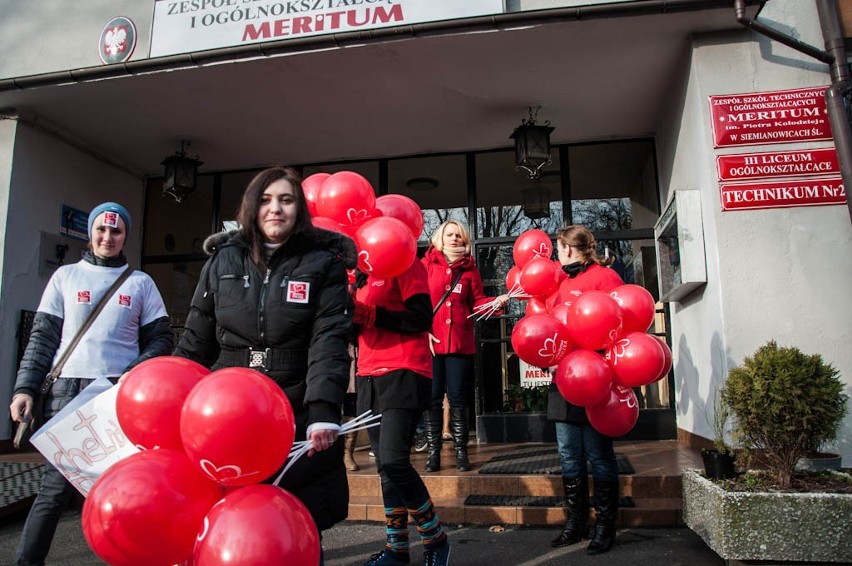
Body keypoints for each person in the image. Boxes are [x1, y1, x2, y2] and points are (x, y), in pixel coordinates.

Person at [172, 167, 356, 564]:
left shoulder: (323, 263)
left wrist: (323, 411)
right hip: (227, 415)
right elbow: (196, 339)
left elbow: (329, 340)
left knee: (291, 522)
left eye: (286, 200)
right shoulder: (222, 261)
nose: (276, 209)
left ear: (299, 210)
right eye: (267, 200)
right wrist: (173, 397)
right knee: (228, 521)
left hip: (294, 407)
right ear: (253, 208)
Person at [8, 202, 174, 566]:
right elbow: (41, 340)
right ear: (90, 233)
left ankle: (130, 558)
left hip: (117, 395)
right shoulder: (65, 277)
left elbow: (162, 339)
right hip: (65, 392)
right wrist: (24, 388)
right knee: (53, 490)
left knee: (121, 490)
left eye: (116, 231)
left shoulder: (140, 282)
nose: (108, 237)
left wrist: (137, 368)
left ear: (125, 235)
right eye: (101, 229)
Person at [352, 258, 451, 566]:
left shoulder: (404, 265)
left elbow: (421, 318)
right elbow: (358, 330)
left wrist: (370, 314)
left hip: (404, 370)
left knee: (395, 462)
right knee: (385, 467)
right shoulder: (357, 275)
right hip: (369, 374)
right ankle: (397, 549)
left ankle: (436, 540)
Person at [547, 224, 624, 556]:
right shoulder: (562, 283)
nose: (554, 253)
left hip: (595, 381)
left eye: (557, 247)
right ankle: (575, 523)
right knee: (568, 455)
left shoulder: (606, 279)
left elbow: (622, 324)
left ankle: (605, 527)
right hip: (564, 380)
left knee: (599, 456)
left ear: (567, 247)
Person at [421, 220, 508, 472]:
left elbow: (477, 302)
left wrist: (496, 303)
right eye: (449, 234)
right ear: (440, 238)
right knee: (433, 398)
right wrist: (422, 332)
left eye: (459, 235)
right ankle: (433, 452)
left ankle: (461, 451)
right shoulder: (426, 265)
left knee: (459, 398)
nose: (454, 239)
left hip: (460, 343)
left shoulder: (470, 270)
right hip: (431, 344)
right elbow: (416, 302)